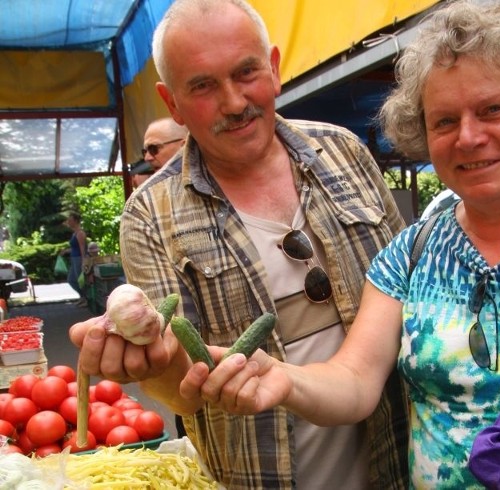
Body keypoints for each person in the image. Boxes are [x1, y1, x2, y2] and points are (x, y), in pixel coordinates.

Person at [186, 2, 500, 489]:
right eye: (444, 121)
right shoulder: (411, 253)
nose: (468, 137)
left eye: (493, 109)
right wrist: (285, 380)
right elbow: (356, 382)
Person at [69, 1, 409, 489]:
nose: (233, 102)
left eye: (246, 72)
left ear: (272, 67)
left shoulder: (344, 152)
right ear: (173, 103)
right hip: (260, 476)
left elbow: (410, 290)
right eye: (203, 85)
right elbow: (182, 393)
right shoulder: (149, 215)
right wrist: (157, 363)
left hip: (398, 462)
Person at [62, 211, 88, 307]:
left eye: (70, 220)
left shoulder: (80, 233)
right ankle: (82, 297)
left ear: (76, 221)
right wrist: (66, 251)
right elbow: (74, 247)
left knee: (80, 280)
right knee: (71, 280)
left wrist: (83, 261)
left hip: (78, 259)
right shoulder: (74, 233)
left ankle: (85, 299)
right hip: (74, 259)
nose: (68, 222)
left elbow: (82, 248)